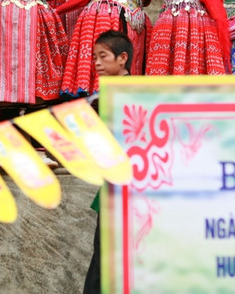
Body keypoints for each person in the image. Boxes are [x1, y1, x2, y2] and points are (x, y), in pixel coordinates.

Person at [82, 29, 132, 294]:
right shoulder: (99, 97)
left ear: (122, 58)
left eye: (102, 56)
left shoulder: (137, 93)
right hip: (111, 186)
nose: (97, 63)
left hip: (134, 190)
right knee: (103, 256)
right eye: (94, 58)